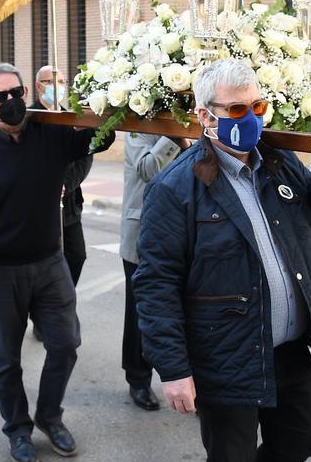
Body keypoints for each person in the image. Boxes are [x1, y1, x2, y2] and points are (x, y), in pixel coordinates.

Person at [134, 59, 311, 461]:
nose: (250, 118)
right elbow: (156, 283)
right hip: (226, 356)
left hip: (288, 352)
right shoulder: (175, 187)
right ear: (204, 115)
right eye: (236, 109)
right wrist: (175, 369)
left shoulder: (280, 164)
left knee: (302, 440)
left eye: (257, 107)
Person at [0, 63, 113, 462]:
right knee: (7, 361)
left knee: (66, 344)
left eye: (16, 93)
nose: (11, 102)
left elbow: (97, 140)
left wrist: (109, 102)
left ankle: (49, 417)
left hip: (49, 264)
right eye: (1, 97)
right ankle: (18, 430)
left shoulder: (51, 134)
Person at [119, 132, 188, 412]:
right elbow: (147, 168)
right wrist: (174, 138)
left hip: (183, 233)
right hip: (143, 234)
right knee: (140, 314)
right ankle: (138, 378)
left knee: (189, 313)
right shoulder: (142, 127)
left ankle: (193, 382)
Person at [34, 65, 92, 285]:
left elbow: (85, 157)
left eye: (61, 82)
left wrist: (66, 184)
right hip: (39, 205)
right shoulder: (32, 118)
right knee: (44, 258)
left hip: (68, 202)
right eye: (50, 82)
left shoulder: (73, 118)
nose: (56, 87)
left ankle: (62, 298)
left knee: (76, 255)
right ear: (39, 86)